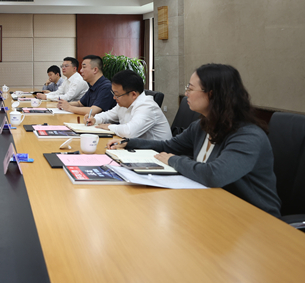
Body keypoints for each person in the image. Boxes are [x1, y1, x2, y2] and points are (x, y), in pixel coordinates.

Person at [107, 64, 281, 217]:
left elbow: (214, 175)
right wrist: (130, 143)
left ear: (212, 94)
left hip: (254, 219)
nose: (186, 93)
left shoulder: (248, 136)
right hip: (212, 206)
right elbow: (169, 146)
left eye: (190, 88)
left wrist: (174, 160)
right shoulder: (202, 125)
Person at [85, 70, 171, 140]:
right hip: (138, 148)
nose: (114, 98)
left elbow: (129, 132)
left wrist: (110, 126)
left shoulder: (147, 106)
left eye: (117, 94)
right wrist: (94, 119)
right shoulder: (124, 103)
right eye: (113, 93)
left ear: (133, 94)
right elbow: (108, 115)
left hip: (156, 152)